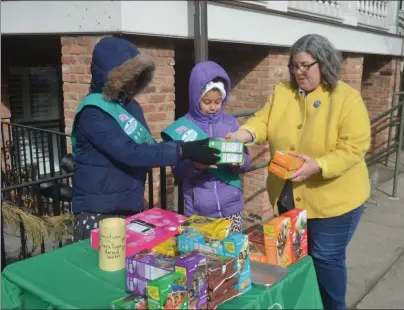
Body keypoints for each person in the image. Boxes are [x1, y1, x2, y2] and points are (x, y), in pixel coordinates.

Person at [226, 34, 371, 309]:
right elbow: (263, 121)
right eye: (294, 65)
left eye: (306, 65)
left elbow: (354, 147)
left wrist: (318, 165)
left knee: (325, 258)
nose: (298, 72)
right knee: (295, 259)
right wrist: (242, 135)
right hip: (289, 197)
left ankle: (332, 305)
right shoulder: (283, 92)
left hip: (335, 202)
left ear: (324, 63)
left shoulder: (346, 99)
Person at [71, 37, 220, 241]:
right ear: (111, 76)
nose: (133, 81)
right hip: (99, 211)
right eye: (128, 75)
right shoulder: (93, 112)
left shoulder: (132, 107)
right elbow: (130, 152)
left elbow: (148, 148)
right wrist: (183, 150)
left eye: (137, 75)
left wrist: (190, 156)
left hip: (129, 205)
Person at [161, 61, 251, 233]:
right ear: (196, 97)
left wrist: (239, 162)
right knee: (202, 256)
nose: (213, 107)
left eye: (218, 101)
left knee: (232, 254)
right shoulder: (183, 127)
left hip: (231, 207)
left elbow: (246, 157)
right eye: (207, 101)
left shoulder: (230, 122)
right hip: (198, 210)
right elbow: (177, 171)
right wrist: (195, 165)